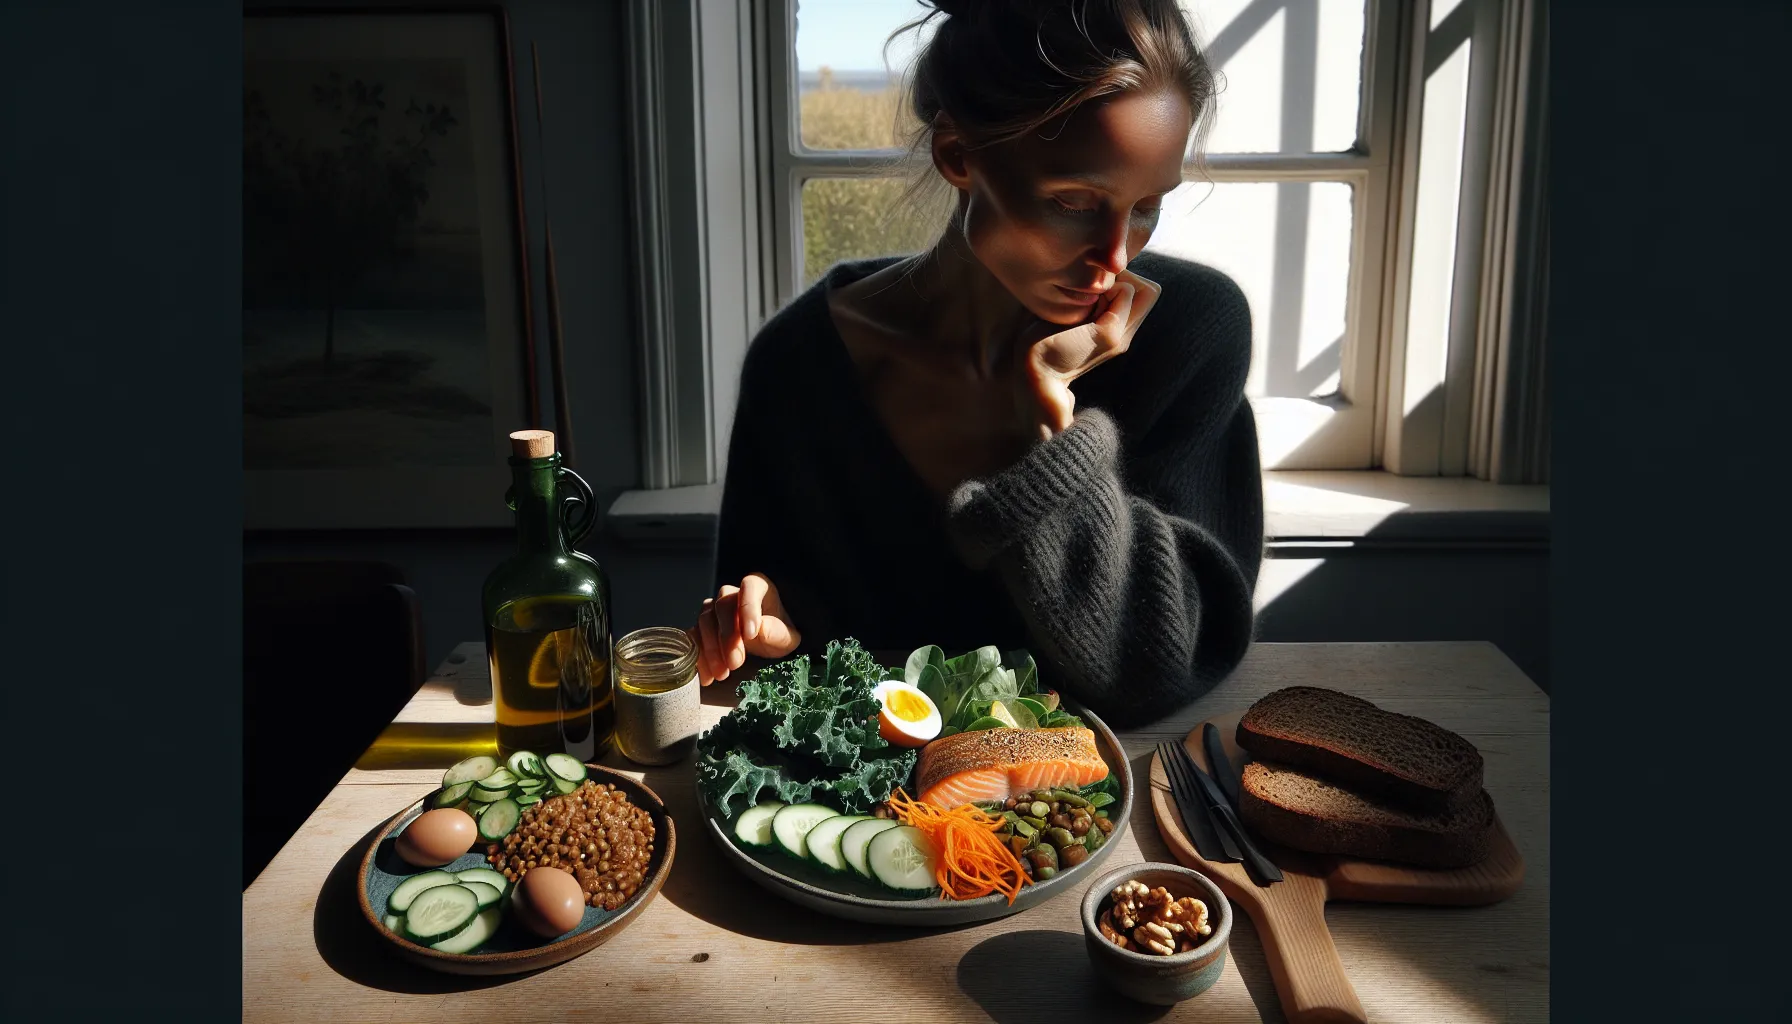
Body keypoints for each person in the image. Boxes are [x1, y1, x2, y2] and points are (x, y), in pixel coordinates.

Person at [692, 0, 1263, 727]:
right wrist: (771, 625)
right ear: (959, 155)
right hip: (873, 783)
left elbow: (1158, 671)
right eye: (1074, 202)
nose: (1116, 257)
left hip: (1094, 786)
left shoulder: (1188, 334)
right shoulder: (799, 364)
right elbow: (773, 657)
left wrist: (1046, 438)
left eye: (1147, 206)